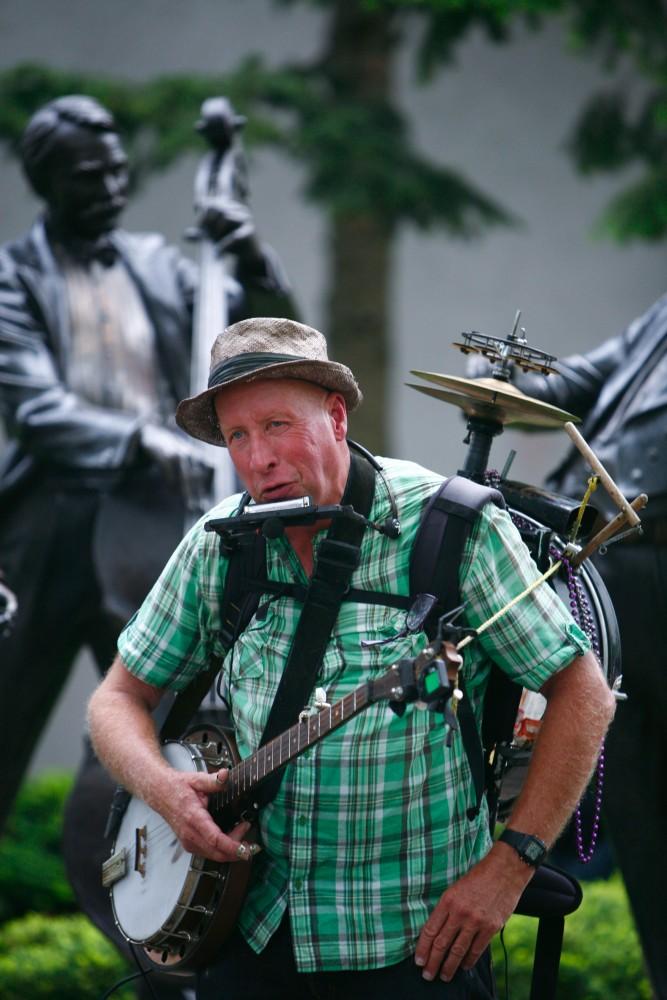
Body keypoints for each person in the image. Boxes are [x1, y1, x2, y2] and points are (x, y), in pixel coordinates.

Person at [87, 316, 614, 999]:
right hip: (248, 932)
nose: (258, 458)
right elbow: (116, 699)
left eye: (277, 425)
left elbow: (583, 694)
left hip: (418, 950)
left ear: (336, 417)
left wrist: (508, 867)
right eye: (237, 436)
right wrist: (163, 789)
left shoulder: (451, 532)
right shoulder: (221, 542)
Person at [0, 94, 295, 836]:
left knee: (169, 716)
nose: (110, 189)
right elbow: (33, 408)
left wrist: (250, 255)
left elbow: (262, 343)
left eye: (117, 172)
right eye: (87, 177)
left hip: (153, 520)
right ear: (45, 182)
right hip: (51, 526)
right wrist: (139, 438)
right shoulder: (10, 279)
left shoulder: (164, 265)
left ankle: (158, 903)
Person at [477, 302, 667, 998]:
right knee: (636, 815)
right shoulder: (659, 317)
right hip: (616, 576)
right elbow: (568, 384)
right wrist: (496, 377)